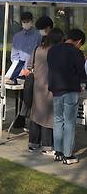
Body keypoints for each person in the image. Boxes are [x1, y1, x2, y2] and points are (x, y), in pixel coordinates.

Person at [47, 28, 86, 165]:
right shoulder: (77, 53)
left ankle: (57, 151)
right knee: (69, 123)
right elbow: (82, 73)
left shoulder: (52, 50)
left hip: (56, 90)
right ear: (79, 41)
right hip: (70, 91)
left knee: (58, 120)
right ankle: (68, 155)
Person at [27, 22, 58, 155]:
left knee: (35, 114)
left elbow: (29, 66)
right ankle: (47, 145)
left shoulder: (36, 49)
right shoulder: (54, 51)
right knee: (47, 117)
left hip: (37, 86)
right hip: (50, 87)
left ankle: (33, 143)